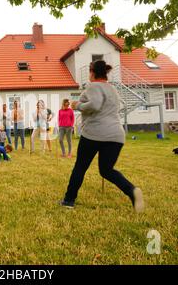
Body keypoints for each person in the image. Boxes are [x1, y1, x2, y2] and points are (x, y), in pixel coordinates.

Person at [60, 60, 144, 213]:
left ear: (92, 72)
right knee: (107, 170)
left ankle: (69, 200)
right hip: (116, 135)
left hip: (94, 133)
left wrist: (77, 105)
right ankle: (132, 191)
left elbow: (95, 105)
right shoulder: (113, 89)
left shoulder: (93, 86)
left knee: (80, 167)